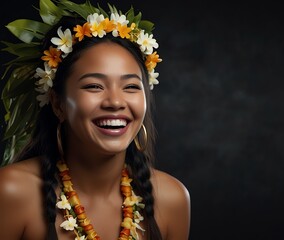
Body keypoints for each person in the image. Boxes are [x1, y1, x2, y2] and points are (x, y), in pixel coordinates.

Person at [0, 0, 191, 239]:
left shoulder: (172, 198)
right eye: (94, 86)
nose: (116, 102)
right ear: (58, 104)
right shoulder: (11, 191)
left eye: (131, 86)